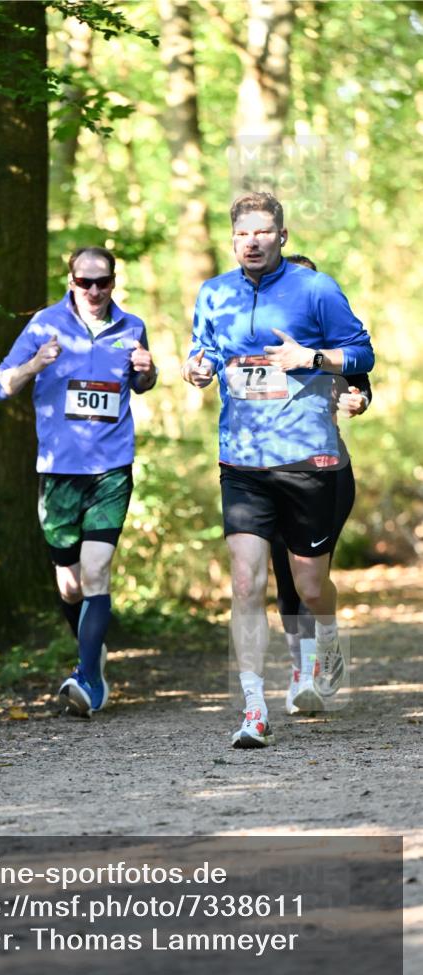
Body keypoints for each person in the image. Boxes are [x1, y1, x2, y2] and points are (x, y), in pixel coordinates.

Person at [181, 192, 375, 749]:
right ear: (233, 238)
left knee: (311, 586)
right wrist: (197, 367)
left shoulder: (316, 289)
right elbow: (207, 351)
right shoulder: (213, 292)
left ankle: (329, 636)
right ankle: (254, 708)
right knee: (245, 582)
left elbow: (361, 355)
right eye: (244, 234)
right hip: (241, 461)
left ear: (282, 236)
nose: (254, 241)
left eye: (264, 232)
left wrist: (311, 358)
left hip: (307, 460)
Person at [0, 247, 157, 717]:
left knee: (97, 571)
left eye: (101, 282)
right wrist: (35, 365)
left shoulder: (132, 326)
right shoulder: (44, 325)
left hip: (111, 468)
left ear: (113, 282)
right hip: (58, 470)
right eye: (84, 282)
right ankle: (92, 653)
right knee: (69, 586)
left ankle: (88, 678)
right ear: (70, 281)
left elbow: (142, 383)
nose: (93, 291)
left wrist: (147, 372)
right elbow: (0, 385)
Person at [274, 255, 372, 714]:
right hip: (263, 472)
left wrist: (357, 400)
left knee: (311, 580)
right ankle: (302, 673)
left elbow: (361, 385)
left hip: (325, 471)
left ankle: (326, 645)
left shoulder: (333, 342)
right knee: (285, 578)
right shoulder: (255, 338)